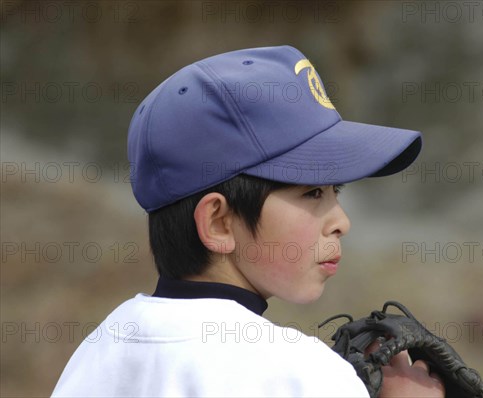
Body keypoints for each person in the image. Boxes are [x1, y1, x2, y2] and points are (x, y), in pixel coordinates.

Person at [52, 45, 444, 397]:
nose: (341, 222)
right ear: (219, 223)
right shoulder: (299, 374)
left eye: (334, 191)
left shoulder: (102, 347)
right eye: (312, 193)